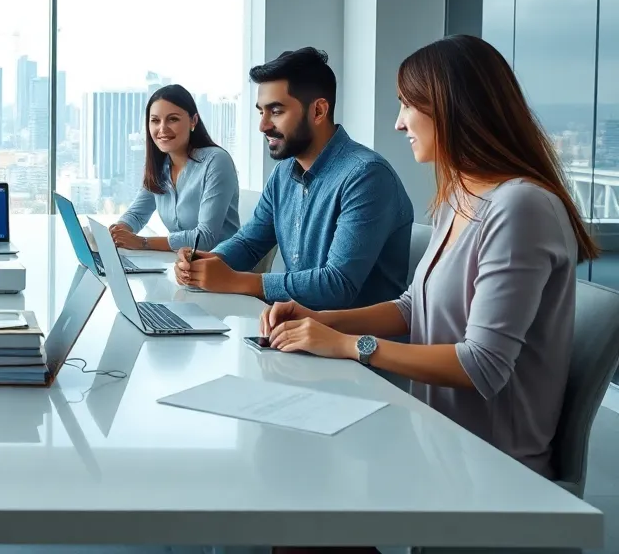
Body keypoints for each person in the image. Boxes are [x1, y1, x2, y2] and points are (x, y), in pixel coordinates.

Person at [260, 35, 595, 479]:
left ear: (453, 109)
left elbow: (482, 365)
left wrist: (345, 346)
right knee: (289, 467)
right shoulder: (458, 196)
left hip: (491, 467)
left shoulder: (521, 207)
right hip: (434, 435)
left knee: (295, 488)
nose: (399, 124)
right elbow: (413, 307)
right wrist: (319, 319)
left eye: (407, 105)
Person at [176, 47, 414, 310]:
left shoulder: (367, 176)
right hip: (297, 334)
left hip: (356, 345)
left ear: (318, 111)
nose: (263, 125)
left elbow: (337, 285)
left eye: (276, 111)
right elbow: (249, 244)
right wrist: (205, 263)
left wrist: (238, 281)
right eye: (260, 112)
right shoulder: (283, 172)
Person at [109, 84, 241, 252]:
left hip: (221, 267)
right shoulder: (160, 167)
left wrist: (141, 242)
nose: (162, 129)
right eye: (155, 120)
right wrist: (118, 232)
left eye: (173, 119)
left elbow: (205, 238)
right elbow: (136, 215)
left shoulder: (215, 161)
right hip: (182, 266)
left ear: (193, 121)